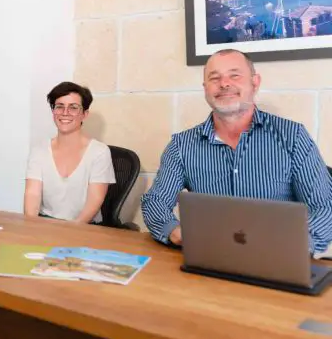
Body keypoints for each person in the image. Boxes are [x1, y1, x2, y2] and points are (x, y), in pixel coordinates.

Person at [141, 48, 332, 255]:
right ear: (205, 88)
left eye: (234, 75)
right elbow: (156, 201)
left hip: (277, 257)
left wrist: (298, 245)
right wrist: (175, 232)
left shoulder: (293, 137)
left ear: (255, 83)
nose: (224, 84)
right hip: (210, 255)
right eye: (215, 78)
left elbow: (324, 207)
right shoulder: (182, 145)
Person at [24, 82, 115, 223]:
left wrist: (70, 232)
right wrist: (32, 228)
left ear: (84, 114)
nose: (65, 112)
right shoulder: (39, 151)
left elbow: (94, 202)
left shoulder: (100, 152)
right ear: (53, 111)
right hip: (45, 225)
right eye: (59, 106)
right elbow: (32, 196)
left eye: (73, 107)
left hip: (85, 227)